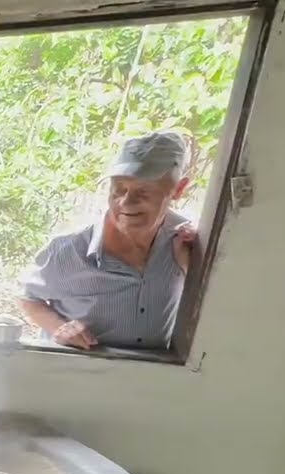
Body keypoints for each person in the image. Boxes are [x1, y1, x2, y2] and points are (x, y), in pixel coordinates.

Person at [18, 131, 199, 350]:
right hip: (76, 376)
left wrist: (193, 266)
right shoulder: (68, 249)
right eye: (119, 189)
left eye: (143, 191)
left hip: (151, 379)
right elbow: (26, 296)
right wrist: (59, 327)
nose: (126, 202)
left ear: (178, 189)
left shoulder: (187, 242)